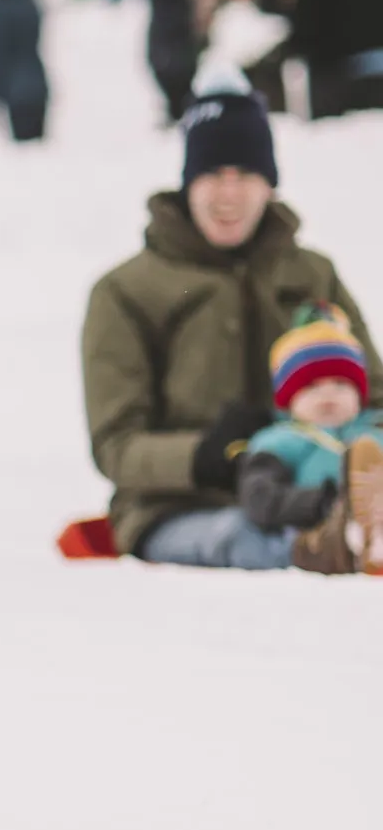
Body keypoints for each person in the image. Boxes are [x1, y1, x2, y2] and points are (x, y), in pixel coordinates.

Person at [80, 68, 383, 569]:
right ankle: (330, 547)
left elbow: (373, 390)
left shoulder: (311, 273)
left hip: (312, 488)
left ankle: (355, 532)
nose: (229, 193)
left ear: (269, 183)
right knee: (237, 537)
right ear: (188, 181)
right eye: (213, 174)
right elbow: (117, 445)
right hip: (180, 508)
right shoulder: (124, 292)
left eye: (245, 174)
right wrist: (203, 456)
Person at [237, 306, 383, 573]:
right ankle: (361, 544)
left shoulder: (375, 434)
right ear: (288, 397)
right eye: (311, 386)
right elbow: (259, 497)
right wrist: (323, 502)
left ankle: (374, 536)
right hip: (316, 528)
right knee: (314, 539)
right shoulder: (279, 440)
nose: (328, 395)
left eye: (340, 384)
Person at [0, 0, 49, 143]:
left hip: (17, 97)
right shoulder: (30, 1)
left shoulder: (2, 7)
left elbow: (1, 56)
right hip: (39, 91)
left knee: (24, 160)